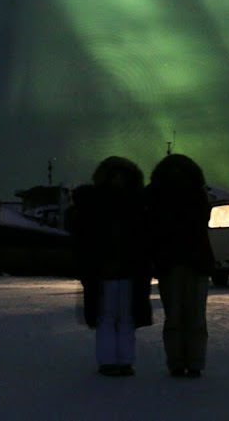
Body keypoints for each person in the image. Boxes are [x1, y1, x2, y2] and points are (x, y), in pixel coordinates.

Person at [71, 156, 152, 377]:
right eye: (115, 176)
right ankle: (111, 361)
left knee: (122, 317)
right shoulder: (132, 204)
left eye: (121, 177)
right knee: (109, 317)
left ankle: (123, 361)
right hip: (107, 272)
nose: (118, 181)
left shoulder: (124, 204)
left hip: (125, 272)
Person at [146, 153, 215, 378]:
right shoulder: (199, 194)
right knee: (194, 315)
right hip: (195, 261)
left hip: (170, 261)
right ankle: (194, 362)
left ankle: (177, 363)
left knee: (175, 316)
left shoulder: (155, 195)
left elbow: (153, 229)